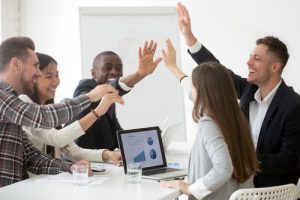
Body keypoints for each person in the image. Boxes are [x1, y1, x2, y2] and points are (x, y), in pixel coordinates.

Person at [176, 2, 300, 187]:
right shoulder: (249, 90)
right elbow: (216, 71)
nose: (248, 62)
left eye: (256, 59)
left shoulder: (293, 105)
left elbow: (290, 160)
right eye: (250, 56)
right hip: (239, 185)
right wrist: (189, 36)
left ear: (275, 67)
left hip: (270, 191)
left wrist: (243, 158)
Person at [0, 36, 113, 187]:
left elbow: (31, 157)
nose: (38, 73)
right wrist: (90, 97)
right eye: (35, 65)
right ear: (16, 64)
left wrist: (69, 167)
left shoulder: (13, 106)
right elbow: (44, 116)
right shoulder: (3, 98)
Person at [161, 39, 259, 200]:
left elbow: (223, 169)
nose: (192, 90)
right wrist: (173, 67)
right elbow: (190, 90)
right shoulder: (235, 116)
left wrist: (191, 188)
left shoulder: (209, 123)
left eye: (194, 86)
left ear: (203, 91)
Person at [20, 52, 124, 165]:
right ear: (33, 78)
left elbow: (73, 151)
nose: (56, 82)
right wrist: (98, 112)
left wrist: (108, 154)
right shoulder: (23, 102)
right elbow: (57, 139)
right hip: (30, 181)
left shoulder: (49, 109)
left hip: (47, 180)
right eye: (49, 76)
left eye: (57, 75)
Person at [71, 40, 162, 150]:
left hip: (104, 160)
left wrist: (144, 141)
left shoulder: (111, 97)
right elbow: (110, 87)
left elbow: (116, 130)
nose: (114, 72)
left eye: (118, 69)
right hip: (83, 160)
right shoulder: (85, 87)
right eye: (107, 67)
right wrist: (140, 74)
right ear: (93, 73)